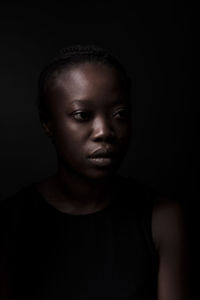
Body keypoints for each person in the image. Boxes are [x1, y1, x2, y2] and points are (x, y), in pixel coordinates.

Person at [0, 44, 190, 300]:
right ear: (48, 123)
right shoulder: (10, 222)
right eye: (82, 115)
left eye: (119, 114)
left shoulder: (162, 220)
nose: (104, 131)